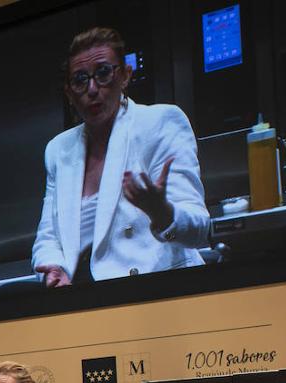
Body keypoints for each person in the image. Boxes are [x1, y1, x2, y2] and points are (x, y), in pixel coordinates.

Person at [32, 27, 209, 287]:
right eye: (80, 80)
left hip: (157, 289)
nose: (92, 89)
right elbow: (47, 238)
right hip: (82, 295)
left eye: (103, 73)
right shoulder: (59, 149)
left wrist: (163, 213)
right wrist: (54, 269)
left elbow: (200, 230)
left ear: (125, 76)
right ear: (69, 93)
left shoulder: (160, 123)